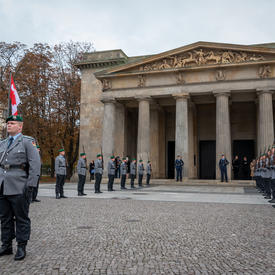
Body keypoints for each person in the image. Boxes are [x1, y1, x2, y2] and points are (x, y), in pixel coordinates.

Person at [0, 115, 41, 261]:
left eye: (12, 123)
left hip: (19, 186)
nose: (8, 125)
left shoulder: (27, 142)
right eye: (8, 123)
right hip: (3, 186)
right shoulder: (3, 143)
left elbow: (35, 165)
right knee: (5, 218)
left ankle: (21, 246)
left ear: (20, 126)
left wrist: (30, 185)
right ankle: (6, 245)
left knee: (21, 218)